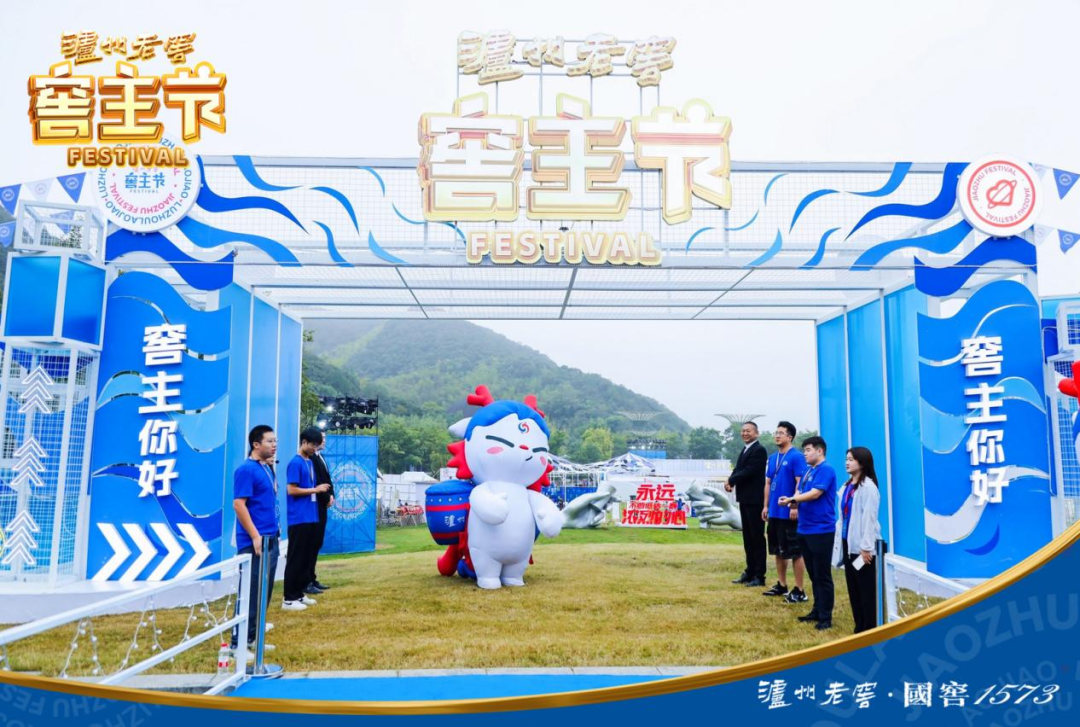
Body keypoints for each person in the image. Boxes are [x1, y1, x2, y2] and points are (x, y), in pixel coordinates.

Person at [778, 435, 837, 630]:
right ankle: (817, 611)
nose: (805, 454)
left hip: (821, 529)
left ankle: (826, 617)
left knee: (822, 574)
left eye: (808, 450)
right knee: (813, 574)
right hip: (804, 528)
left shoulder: (826, 469)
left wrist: (793, 500)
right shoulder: (807, 470)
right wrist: (792, 500)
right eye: (804, 450)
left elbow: (815, 494)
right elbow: (800, 492)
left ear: (820, 451)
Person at [231, 425, 280, 651]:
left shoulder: (266, 468)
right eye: (270, 441)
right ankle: (237, 644)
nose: (274, 445)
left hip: (271, 537)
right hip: (255, 542)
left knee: (263, 593)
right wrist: (254, 535)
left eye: (275, 441)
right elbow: (239, 505)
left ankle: (253, 638)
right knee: (250, 593)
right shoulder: (246, 470)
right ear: (256, 444)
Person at [834, 446, 882, 634]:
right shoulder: (847, 486)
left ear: (862, 463)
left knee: (866, 590)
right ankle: (859, 626)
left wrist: (866, 547)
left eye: (851, 459)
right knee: (853, 588)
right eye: (846, 459)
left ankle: (869, 629)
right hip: (848, 544)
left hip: (863, 547)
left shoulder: (868, 487)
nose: (847, 462)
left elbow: (870, 519)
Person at [282, 428, 330, 611]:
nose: (314, 449)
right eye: (312, 445)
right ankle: (288, 598)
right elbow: (292, 490)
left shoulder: (309, 462)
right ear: (304, 442)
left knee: (305, 557)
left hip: (311, 516)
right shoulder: (295, 463)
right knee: (295, 558)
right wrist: (315, 490)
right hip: (298, 517)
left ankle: (299, 593)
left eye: (317, 446)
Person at [761, 421, 808, 603]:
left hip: (788, 511)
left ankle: (800, 589)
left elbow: (800, 482)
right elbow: (767, 483)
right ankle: (782, 585)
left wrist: (794, 505)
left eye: (781, 433)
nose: (777, 435)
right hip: (774, 511)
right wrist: (766, 506)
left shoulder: (796, 457)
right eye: (776, 432)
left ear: (790, 437)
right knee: (778, 550)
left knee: (795, 551)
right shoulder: (773, 457)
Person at [725, 421, 768, 587]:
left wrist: (732, 480)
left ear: (756, 433)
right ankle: (750, 572)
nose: (745, 433)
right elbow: (738, 469)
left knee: (757, 538)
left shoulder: (759, 450)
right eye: (743, 431)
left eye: (748, 431)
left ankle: (759, 575)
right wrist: (730, 480)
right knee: (748, 538)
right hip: (744, 499)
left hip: (755, 500)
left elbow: (750, 470)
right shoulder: (745, 449)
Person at [309, 440, 336, 593]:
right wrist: (326, 498)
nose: (324, 440)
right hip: (316, 506)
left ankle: (312, 578)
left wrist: (331, 496)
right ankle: (307, 581)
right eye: (321, 437)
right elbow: (317, 481)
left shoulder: (321, 457)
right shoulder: (311, 459)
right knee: (311, 544)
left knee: (317, 543)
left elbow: (327, 480)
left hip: (323, 504)